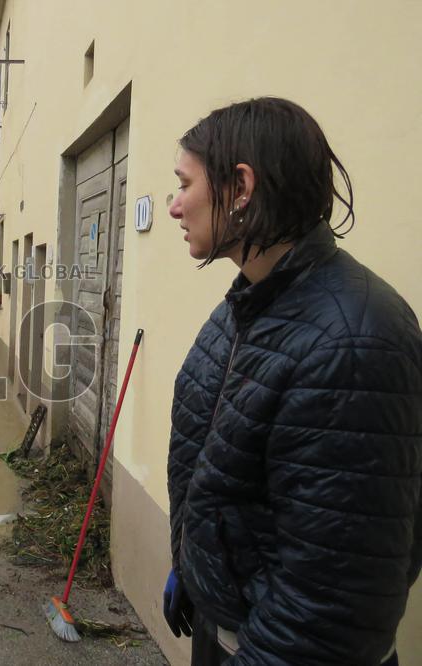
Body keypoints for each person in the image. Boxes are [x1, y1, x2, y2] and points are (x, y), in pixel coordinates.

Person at [163, 97, 422, 665]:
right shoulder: (245, 304)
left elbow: (331, 613)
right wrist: (191, 562)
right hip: (227, 627)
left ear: (241, 187)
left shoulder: (354, 338)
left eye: (184, 184)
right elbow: (217, 463)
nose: (175, 206)